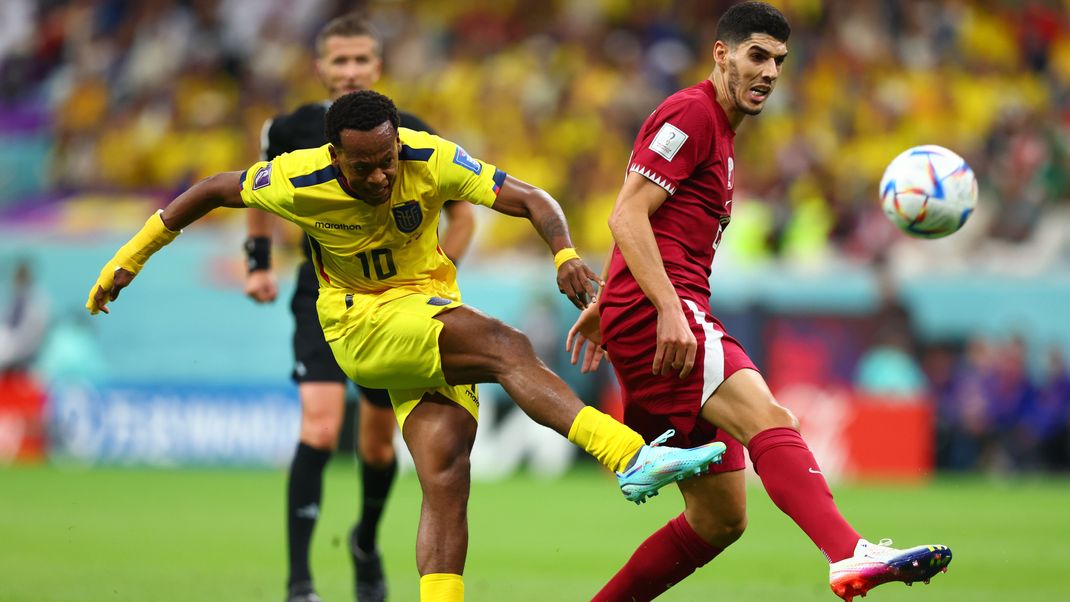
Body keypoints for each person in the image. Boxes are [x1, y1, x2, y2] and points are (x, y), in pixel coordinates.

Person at [86, 89, 730, 602]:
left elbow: (533, 198)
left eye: (387, 161)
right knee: (507, 344)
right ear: (334, 156)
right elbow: (209, 192)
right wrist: (127, 260)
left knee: (447, 474)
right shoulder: (293, 178)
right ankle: (626, 457)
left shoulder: (430, 158)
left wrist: (564, 252)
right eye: (363, 167)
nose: (380, 177)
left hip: (427, 310)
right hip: (360, 323)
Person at [566, 3, 952, 601]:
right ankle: (849, 555)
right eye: (757, 55)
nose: (770, 71)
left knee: (720, 519)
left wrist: (617, 296)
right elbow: (626, 213)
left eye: (779, 60)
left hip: (648, 307)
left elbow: (649, 221)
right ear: (722, 54)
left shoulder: (721, 132)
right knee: (771, 419)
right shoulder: (691, 113)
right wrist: (661, 306)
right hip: (669, 314)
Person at [241, 15, 473, 602]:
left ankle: (366, 543)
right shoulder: (289, 128)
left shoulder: (411, 134)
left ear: (377, 67)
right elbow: (252, 193)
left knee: (374, 444)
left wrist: (436, 280)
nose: (349, 71)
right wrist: (257, 261)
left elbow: (464, 214)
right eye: (338, 61)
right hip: (320, 294)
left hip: (396, 304)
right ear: (320, 68)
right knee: (318, 427)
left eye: (359, 61)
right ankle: (300, 583)